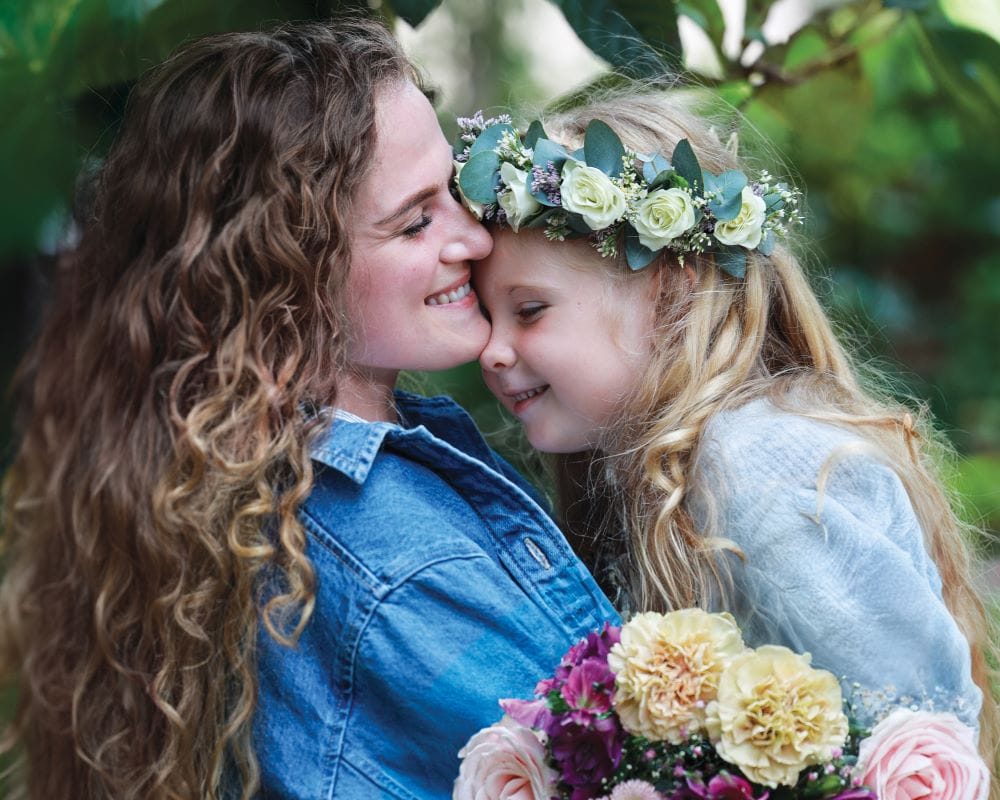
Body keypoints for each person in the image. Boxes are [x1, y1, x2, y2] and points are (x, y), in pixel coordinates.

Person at [0, 19, 616, 800]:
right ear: (287, 271)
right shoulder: (397, 561)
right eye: (417, 220)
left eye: (454, 190)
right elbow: (641, 771)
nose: (475, 237)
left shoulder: (223, 482)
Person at [462, 89, 998, 766]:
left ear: (672, 289)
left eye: (530, 310)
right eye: (486, 315)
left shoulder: (754, 465)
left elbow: (915, 744)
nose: (491, 350)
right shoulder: (650, 478)